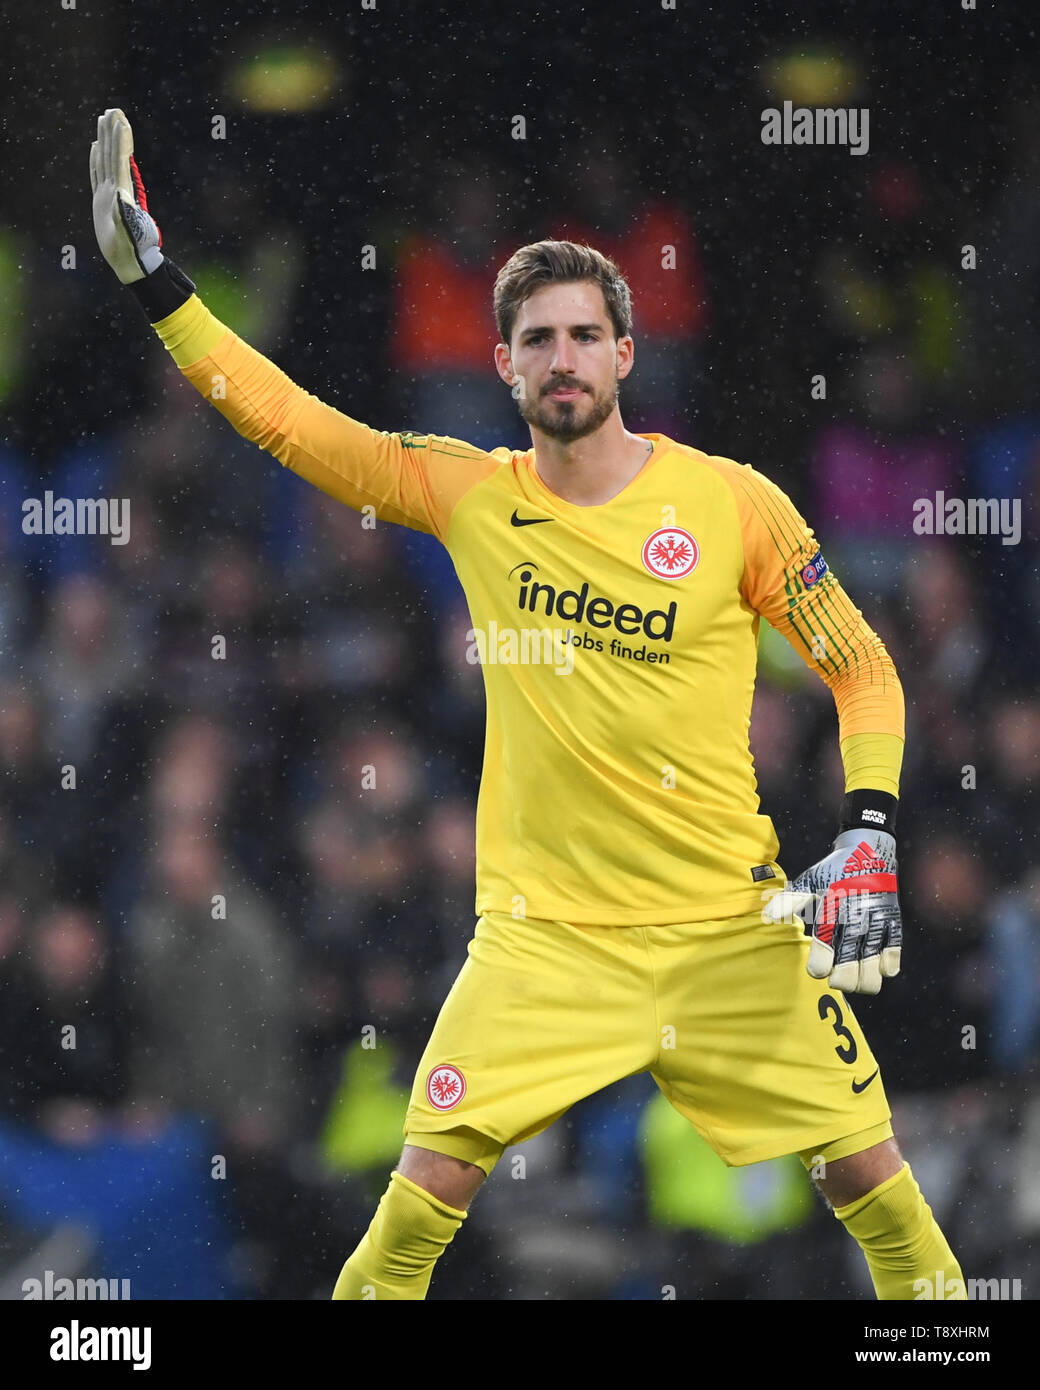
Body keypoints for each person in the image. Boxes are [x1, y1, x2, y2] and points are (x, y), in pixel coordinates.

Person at [90, 108, 965, 1301]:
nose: (561, 358)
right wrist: (160, 288)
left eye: (583, 336)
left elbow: (861, 664)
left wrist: (867, 823)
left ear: (623, 356)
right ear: (501, 365)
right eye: (536, 339)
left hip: (725, 929)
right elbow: (287, 422)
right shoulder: (469, 495)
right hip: (540, 942)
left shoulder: (732, 504)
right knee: (407, 1226)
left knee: (882, 1194)